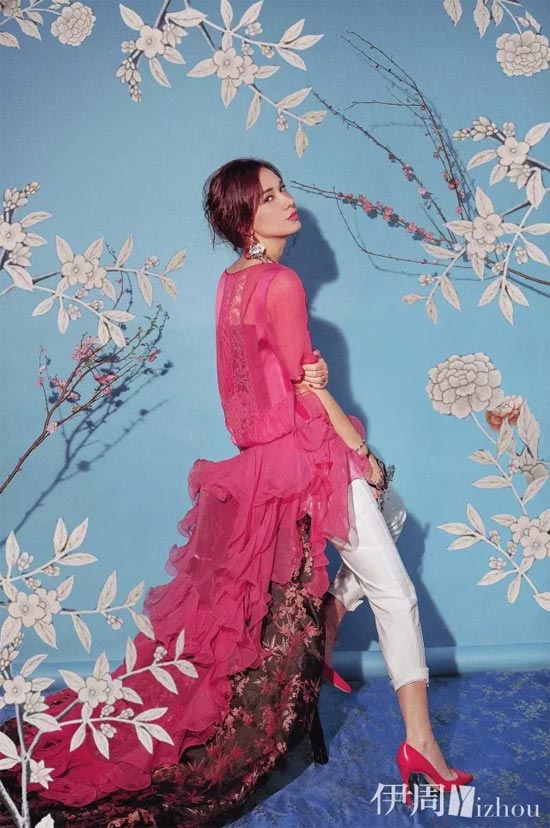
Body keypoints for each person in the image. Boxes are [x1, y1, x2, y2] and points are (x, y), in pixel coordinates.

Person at [0, 157, 471, 827]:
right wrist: (360, 452)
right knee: (396, 588)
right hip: (304, 455)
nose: (287, 202)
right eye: (269, 196)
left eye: (283, 190)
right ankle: (420, 743)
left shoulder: (232, 283)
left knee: (390, 514)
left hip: (263, 459)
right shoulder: (281, 282)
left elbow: (266, 383)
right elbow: (306, 392)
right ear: (246, 219)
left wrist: (312, 388)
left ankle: (332, 620)